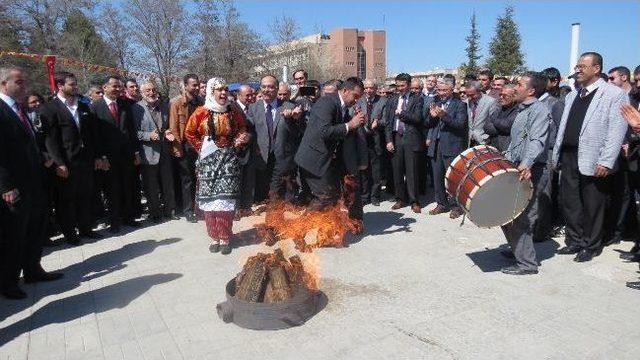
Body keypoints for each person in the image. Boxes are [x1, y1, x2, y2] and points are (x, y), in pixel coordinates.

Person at [553, 52, 629, 262]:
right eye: (577, 66)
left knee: (593, 203)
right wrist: (556, 154)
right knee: (570, 201)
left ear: (596, 69)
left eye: (582, 66)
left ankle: (591, 244)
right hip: (568, 155)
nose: (577, 70)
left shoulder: (613, 94)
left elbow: (617, 129)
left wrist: (606, 160)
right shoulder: (572, 95)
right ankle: (575, 240)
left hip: (594, 157)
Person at [0, 66, 63, 299]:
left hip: (34, 180)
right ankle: (8, 282)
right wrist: (4, 186)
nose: (24, 86)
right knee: (15, 234)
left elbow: (28, 140)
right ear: (4, 84)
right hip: (14, 186)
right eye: (19, 82)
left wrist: (43, 157)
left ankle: (33, 269)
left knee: (35, 227)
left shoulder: (19, 108)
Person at [184, 78, 250, 255]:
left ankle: (226, 237)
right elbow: (189, 132)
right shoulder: (201, 112)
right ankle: (214, 237)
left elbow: (243, 128)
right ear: (211, 92)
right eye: (219, 90)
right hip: (207, 163)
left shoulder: (233, 111)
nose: (223, 94)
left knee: (225, 202)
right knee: (210, 203)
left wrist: (239, 139)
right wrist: (202, 149)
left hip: (228, 162)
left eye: (225, 90)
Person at [41, 71, 103, 245]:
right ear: (60, 86)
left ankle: (85, 228)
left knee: (85, 196)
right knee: (67, 200)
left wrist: (97, 156)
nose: (75, 87)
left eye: (76, 84)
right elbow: (50, 140)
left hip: (85, 160)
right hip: (66, 162)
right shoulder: (50, 108)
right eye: (72, 84)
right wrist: (59, 163)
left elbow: (91, 134)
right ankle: (70, 233)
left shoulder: (83, 107)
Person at [295, 77, 367, 222]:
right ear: (345, 90)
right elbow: (324, 132)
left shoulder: (342, 107)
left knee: (333, 195)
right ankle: (301, 226)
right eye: (355, 96)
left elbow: (341, 133)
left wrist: (354, 122)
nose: (356, 100)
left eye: (359, 98)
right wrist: (350, 125)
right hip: (313, 159)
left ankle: (325, 226)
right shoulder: (327, 102)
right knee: (324, 196)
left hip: (326, 160)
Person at [499, 72, 551, 275]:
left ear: (531, 90)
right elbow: (518, 141)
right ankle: (518, 251)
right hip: (519, 166)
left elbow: (538, 140)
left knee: (522, 216)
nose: (514, 87)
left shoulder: (539, 110)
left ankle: (527, 264)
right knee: (510, 213)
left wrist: (527, 163)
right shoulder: (521, 110)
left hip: (532, 170)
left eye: (519, 84)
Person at [91, 75, 141, 233]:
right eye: (114, 86)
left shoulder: (125, 104)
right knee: (112, 190)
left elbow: (131, 130)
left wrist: (136, 151)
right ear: (105, 87)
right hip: (108, 157)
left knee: (127, 187)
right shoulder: (95, 107)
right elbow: (95, 135)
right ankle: (114, 221)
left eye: (120, 87)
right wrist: (101, 156)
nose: (118, 89)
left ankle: (129, 217)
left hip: (126, 155)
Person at [133, 81, 177, 223]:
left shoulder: (164, 107)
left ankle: (170, 211)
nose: (151, 93)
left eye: (153, 90)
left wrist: (168, 132)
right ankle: (155, 213)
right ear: (142, 93)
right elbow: (133, 132)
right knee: (151, 186)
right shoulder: (136, 109)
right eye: (148, 91)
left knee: (167, 183)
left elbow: (167, 126)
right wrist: (147, 136)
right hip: (148, 152)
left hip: (164, 150)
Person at [425, 77, 468, 218]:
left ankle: (456, 206)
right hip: (436, 146)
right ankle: (441, 204)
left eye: (444, 90)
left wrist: (444, 116)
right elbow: (429, 124)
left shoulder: (459, 105)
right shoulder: (435, 103)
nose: (441, 93)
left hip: (451, 146)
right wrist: (432, 117)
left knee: (453, 178)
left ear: (451, 90)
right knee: (437, 177)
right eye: (439, 90)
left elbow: (460, 125)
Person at [384, 73, 425, 213]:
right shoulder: (392, 99)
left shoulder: (417, 99)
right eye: (398, 85)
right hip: (396, 137)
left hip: (411, 138)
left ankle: (414, 201)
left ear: (408, 84)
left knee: (411, 171)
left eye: (402, 85)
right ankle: (400, 199)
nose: (400, 88)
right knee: (397, 170)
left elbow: (418, 118)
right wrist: (389, 140)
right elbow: (388, 121)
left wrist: (401, 113)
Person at [170, 74, 202, 223]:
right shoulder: (177, 103)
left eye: (197, 85)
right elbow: (174, 127)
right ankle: (188, 210)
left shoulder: (201, 102)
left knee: (199, 177)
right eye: (193, 85)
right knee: (187, 178)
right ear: (186, 85)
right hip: (184, 145)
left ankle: (199, 207)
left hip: (199, 144)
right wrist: (177, 148)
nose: (196, 88)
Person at [358, 79, 387, 206]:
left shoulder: (383, 101)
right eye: (366, 88)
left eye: (371, 88)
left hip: (376, 138)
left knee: (376, 170)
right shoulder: (358, 100)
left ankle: (375, 196)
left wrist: (378, 122)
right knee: (364, 169)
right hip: (362, 138)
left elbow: (386, 119)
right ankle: (365, 196)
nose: (368, 90)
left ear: (375, 89)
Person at [233, 84, 257, 219]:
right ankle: (236, 209)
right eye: (247, 95)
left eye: (251, 94)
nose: (250, 97)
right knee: (237, 182)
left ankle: (246, 207)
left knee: (248, 181)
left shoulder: (252, 109)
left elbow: (254, 129)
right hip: (237, 152)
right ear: (239, 95)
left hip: (250, 151)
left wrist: (250, 137)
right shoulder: (232, 109)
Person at [483, 84, 518, 152]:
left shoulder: (518, 110)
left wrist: (493, 120)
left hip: (506, 150)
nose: (501, 97)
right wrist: (500, 129)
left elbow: (506, 126)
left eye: (505, 95)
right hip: (492, 147)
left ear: (514, 96)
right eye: (500, 95)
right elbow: (486, 127)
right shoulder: (499, 108)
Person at [465, 80, 499, 146]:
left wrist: (486, 137)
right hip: (468, 141)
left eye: (472, 95)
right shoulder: (466, 102)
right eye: (467, 95)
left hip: (483, 141)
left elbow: (493, 122)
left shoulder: (490, 102)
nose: (469, 97)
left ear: (479, 91)